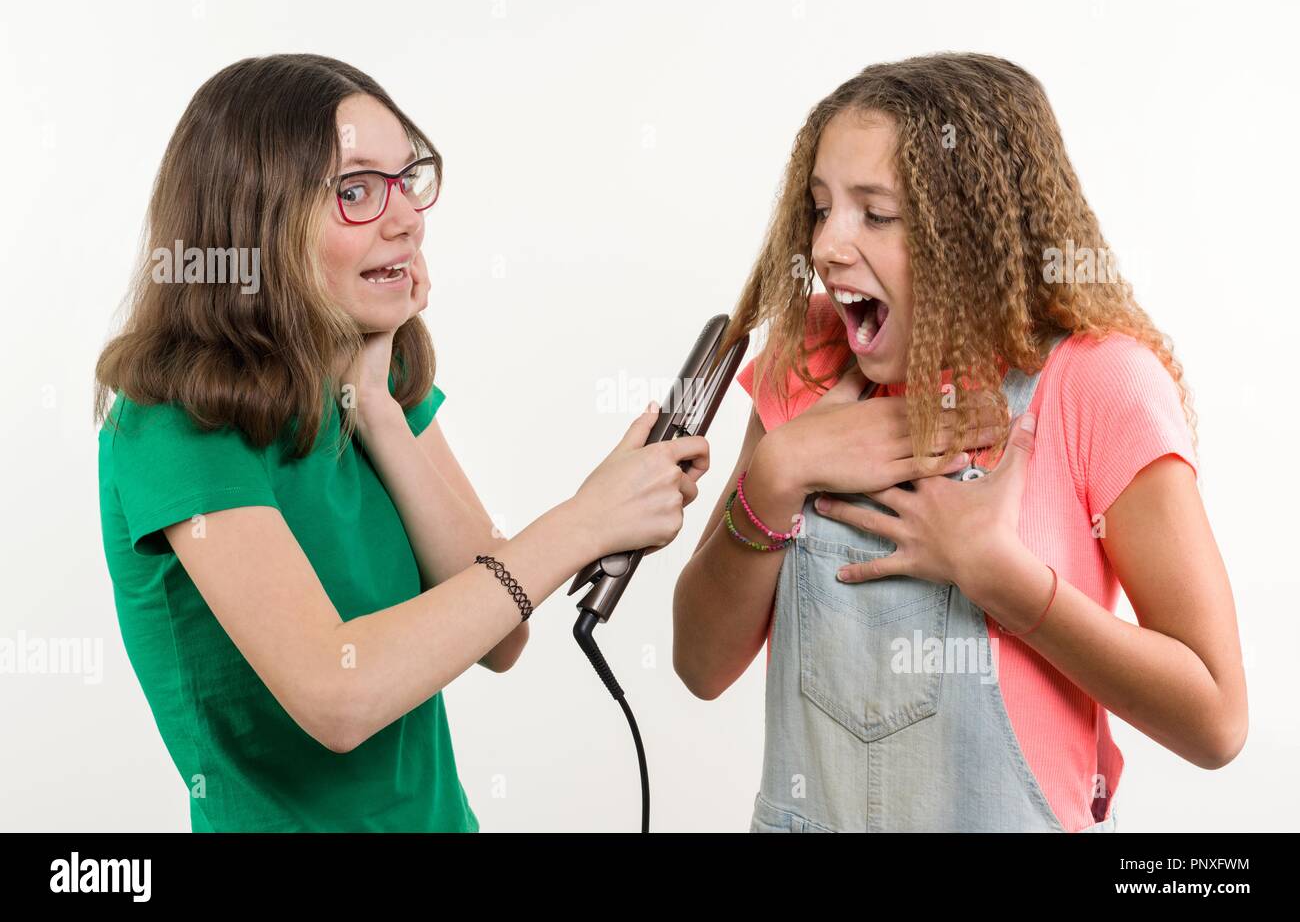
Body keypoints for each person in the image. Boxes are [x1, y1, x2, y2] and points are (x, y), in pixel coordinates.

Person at [95, 54, 709, 832]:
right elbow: (338, 697)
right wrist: (584, 521)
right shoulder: (174, 425)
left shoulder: (372, 378)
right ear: (253, 219)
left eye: (407, 178)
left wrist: (380, 411)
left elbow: (502, 634)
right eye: (356, 191)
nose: (406, 217)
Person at [673, 53, 1246, 832]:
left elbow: (1215, 721)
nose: (829, 247)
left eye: (876, 214)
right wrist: (778, 472)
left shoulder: (1097, 382)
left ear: (979, 235)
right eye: (820, 208)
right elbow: (700, 666)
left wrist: (1003, 580)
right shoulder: (808, 361)